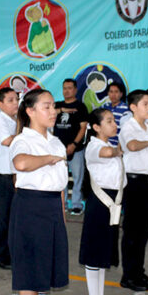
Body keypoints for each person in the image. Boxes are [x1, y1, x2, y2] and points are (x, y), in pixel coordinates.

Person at [9, 89, 68, 295]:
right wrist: (48, 159)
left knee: (43, 272)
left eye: (54, 106)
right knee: (30, 272)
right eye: (46, 106)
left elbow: (60, 186)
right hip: (31, 208)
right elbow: (20, 163)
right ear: (30, 111)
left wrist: (62, 214)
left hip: (52, 209)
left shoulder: (55, 141)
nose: (53, 111)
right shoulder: (23, 140)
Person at [79, 108, 124, 295]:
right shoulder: (94, 146)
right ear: (96, 127)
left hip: (112, 204)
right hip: (99, 203)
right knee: (94, 251)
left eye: (114, 120)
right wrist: (119, 149)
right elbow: (106, 153)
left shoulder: (107, 144)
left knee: (103, 252)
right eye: (108, 121)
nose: (113, 124)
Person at [119, 89, 148, 292]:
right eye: (145, 104)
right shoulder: (129, 126)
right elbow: (132, 145)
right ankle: (128, 276)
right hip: (133, 184)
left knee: (143, 232)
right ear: (133, 107)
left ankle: (139, 272)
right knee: (132, 232)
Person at [0, 87, 19, 270]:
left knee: (12, 216)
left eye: (16, 99)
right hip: (2, 176)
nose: (15, 103)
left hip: (15, 175)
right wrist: (28, 135)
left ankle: (9, 252)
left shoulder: (14, 121)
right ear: (0, 104)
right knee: (3, 216)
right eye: (10, 100)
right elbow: (7, 141)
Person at [53, 78, 89, 215]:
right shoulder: (57, 105)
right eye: (64, 88)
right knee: (60, 178)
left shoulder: (80, 107)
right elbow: (48, 116)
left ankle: (76, 204)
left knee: (77, 178)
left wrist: (74, 144)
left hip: (76, 149)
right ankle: (61, 203)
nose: (66, 91)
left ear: (75, 90)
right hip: (58, 149)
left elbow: (83, 127)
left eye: (69, 88)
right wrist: (61, 109)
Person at [101, 82, 128, 146]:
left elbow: (126, 131)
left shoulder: (126, 109)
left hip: (117, 146)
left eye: (116, 92)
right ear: (108, 93)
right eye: (111, 92)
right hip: (103, 144)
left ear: (121, 94)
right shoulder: (104, 107)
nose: (113, 95)